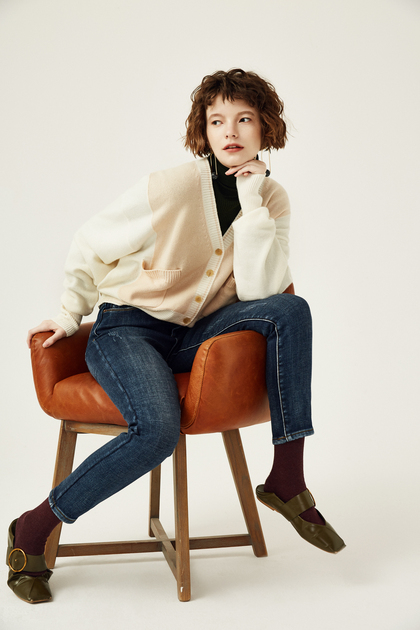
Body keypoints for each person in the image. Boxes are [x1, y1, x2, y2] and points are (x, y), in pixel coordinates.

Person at [7, 68, 345, 604]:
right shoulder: (172, 187)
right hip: (128, 329)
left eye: (244, 119)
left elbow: (258, 291)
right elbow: (91, 242)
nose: (230, 131)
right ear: (203, 131)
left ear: (265, 128)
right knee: (157, 432)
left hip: (193, 334)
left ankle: (287, 477)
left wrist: (252, 202)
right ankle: (33, 526)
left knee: (290, 309)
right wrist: (71, 314)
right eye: (217, 121)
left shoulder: (272, 199)